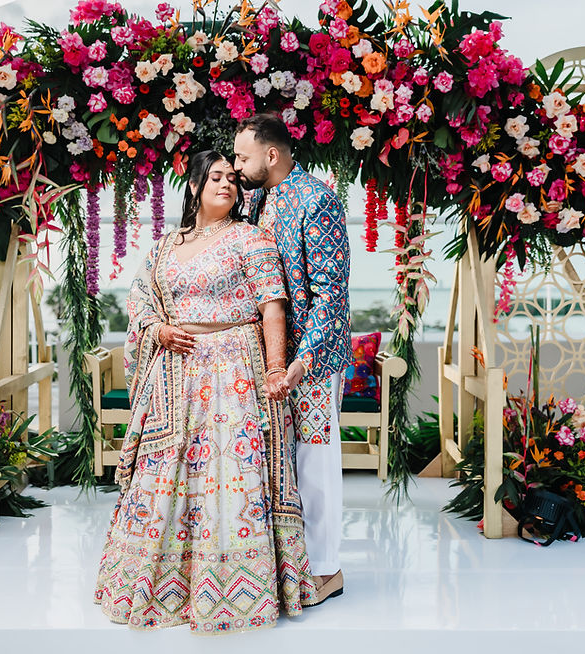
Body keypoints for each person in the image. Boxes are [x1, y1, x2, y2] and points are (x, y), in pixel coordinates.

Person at [94, 150, 315, 633]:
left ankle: (241, 588)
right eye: (216, 177)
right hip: (175, 373)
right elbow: (140, 299)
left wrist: (276, 369)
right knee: (167, 476)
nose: (227, 185)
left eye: (234, 179)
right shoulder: (166, 244)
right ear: (194, 185)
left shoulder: (250, 238)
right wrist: (157, 330)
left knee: (230, 474)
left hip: (234, 370)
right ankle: (164, 586)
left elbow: (272, 307)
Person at [234, 114, 353, 606]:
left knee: (314, 459)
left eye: (243, 157)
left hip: (314, 364)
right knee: (279, 462)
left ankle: (327, 570)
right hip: (272, 360)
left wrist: (304, 362)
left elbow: (330, 294)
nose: (238, 166)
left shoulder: (317, 199)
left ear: (272, 155)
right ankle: (289, 567)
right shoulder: (260, 200)